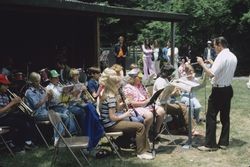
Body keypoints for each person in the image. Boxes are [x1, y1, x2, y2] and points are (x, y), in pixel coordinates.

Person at [99, 68, 154, 160]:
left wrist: (124, 104)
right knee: (140, 126)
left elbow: (116, 110)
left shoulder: (108, 94)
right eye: (117, 84)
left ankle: (141, 148)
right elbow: (112, 117)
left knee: (137, 124)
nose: (119, 86)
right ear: (113, 85)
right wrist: (126, 114)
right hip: (111, 125)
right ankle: (141, 152)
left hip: (110, 122)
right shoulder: (111, 97)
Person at [197, 36, 237, 151]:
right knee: (225, 117)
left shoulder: (221, 56)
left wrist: (201, 64)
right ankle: (224, 142)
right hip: (228, 89)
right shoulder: (232, 56)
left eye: (215, 46)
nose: (214, 49)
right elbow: (223, 70)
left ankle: (210, 145)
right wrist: (213, 62)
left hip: (218, 90)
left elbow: (211, 74)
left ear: (220, 45)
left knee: (211, 116)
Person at [0, 74, 37, 153]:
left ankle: (29, 141)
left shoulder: (5, 95)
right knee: (19, 122)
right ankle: (21, 144)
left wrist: (15, 105)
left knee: (27, 117)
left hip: (5, 116)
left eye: (7, 85)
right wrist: (12, 102)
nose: (7, 87)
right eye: (5, 85)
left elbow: (7, 110)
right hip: (1, 119)